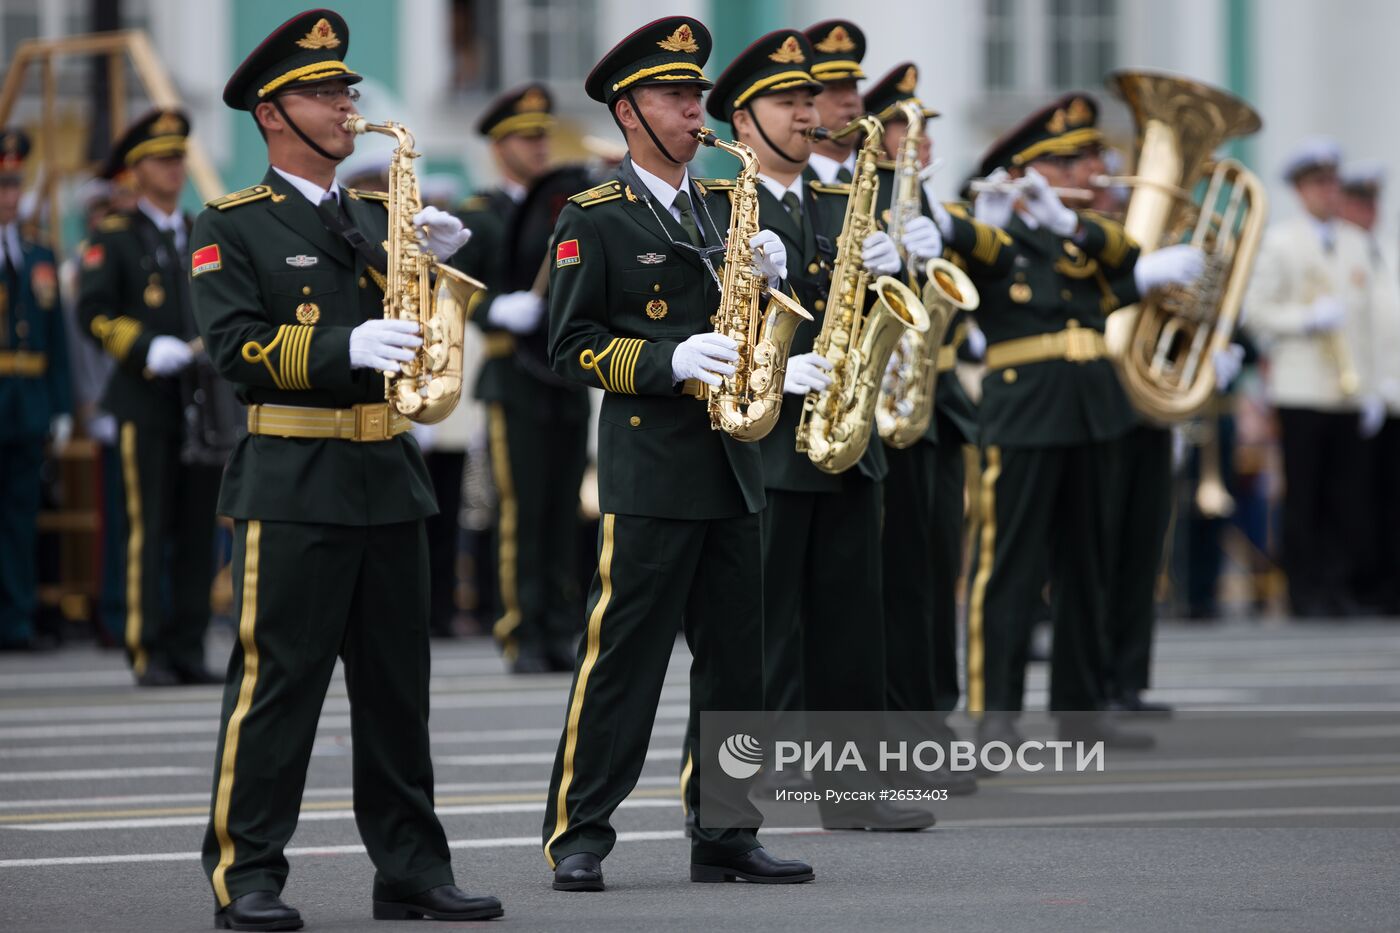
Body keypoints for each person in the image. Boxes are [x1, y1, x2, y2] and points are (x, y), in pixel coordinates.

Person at [189, 9, 501, 929]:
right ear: (273, 113)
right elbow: (233, 344)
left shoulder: (378, 215)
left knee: (399, 690)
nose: (345, 105)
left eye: (347, 90)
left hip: (388, 471)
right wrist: (342, 341)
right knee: (277, 686)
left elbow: (418, 347)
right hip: (293, 474)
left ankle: (410, 866)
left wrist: (435, 273)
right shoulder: (231, 222)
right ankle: (246, 874)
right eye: (326, 93)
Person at [541, 15, 812, 892]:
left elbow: (739, 324)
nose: (696, 111)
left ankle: (727, 829)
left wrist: (773, 307)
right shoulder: (596, 216)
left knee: (738, 665)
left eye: (698, 95)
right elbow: (568, 343)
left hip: (733, 462)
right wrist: (666, 361)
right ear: (629, 112)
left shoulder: (725, 204)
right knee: (623, 656)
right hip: (651, 466)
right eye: (674, 96)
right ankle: (580, 830)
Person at [704, 27, 930, 831]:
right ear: (742, 117)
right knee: (751, 638)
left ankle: (855, 791)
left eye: (810, 101)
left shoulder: (843, 200)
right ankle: (728, 806)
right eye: (787, 102)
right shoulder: (716, 204)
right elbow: (698, 324)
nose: (807, 115)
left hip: (845, 436)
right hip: (763, 442)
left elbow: (883, 314)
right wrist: (767, 366)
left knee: (850, 627)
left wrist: (896, 274)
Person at [965, 94, 1202, 748]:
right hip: (1025, 411)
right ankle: (996, 715)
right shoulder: (996, 232)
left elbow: (1127, 257)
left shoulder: (1084, 236)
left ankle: (1081, 710)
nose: (1093, 169)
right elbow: (958, 250)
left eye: (1092, 155)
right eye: (1072, 160)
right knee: (1008, 569)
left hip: (1095, 411)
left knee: (1088, 566)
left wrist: (1071, 227)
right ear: (1031, 172)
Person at [863, 61, 1009, 794]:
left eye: (920, 131)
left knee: (932, 574)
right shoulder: (863, 199)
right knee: (892, 581)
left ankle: (933, 722)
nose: (914, 142)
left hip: (936, 405)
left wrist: (944, 231)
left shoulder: (924, 203)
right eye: (900, 127)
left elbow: (989, 264)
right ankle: (896, 729)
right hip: (880, 406)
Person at [76, 109, 223, 684]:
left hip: (202, 404)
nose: (175, 169)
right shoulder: (113, 237)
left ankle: (188, 647)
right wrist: (142, 347)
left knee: (196, 531)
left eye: (179, 157)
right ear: (136, 170)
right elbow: (92, 312)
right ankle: (146, 648)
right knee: (148, 527)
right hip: (145, 399)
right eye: (163, 159)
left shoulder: (200, 231)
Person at [460, 84, 590, 672]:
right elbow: (453, 287)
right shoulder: (481, 215)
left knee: (564, 509)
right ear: (498, 145)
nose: (540, 146)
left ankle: (560, 627)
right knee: (522, 511)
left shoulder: (565, 204)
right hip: (511, 374)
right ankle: (521, 629)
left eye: (543, 135)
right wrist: (494, 310)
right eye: (526, 137)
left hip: (565, 372)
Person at [1245, 138, 1378, 617]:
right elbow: (1256, 313)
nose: (1328, 192)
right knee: (1303, 494)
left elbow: (1367, 325)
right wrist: (1305, 319)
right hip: (1301, 388)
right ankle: (1303, 589)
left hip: (1347, 391)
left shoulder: (1357, 243)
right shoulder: (1282, 243)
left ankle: (1338, 585)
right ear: (1300, 190)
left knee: (1347, 497)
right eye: (1318, 184)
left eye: (1332, 183)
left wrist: (1372, 387)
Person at [0, 127, 72, 651]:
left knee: (21, 518)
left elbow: (57, 341)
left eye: (13, 185)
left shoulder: (37, 252)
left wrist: (62, 406)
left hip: (27, 406)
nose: (8, 196)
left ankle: (17, 620)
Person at [1338, 161, 1400, 613]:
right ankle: (1359, 585)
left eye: (1372, 202)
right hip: (1354, 393)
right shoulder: (1338, 251)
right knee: (1356, 499)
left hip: (1392, 395)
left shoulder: (1388, 251)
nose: (1368, 210)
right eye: (1359, 201)